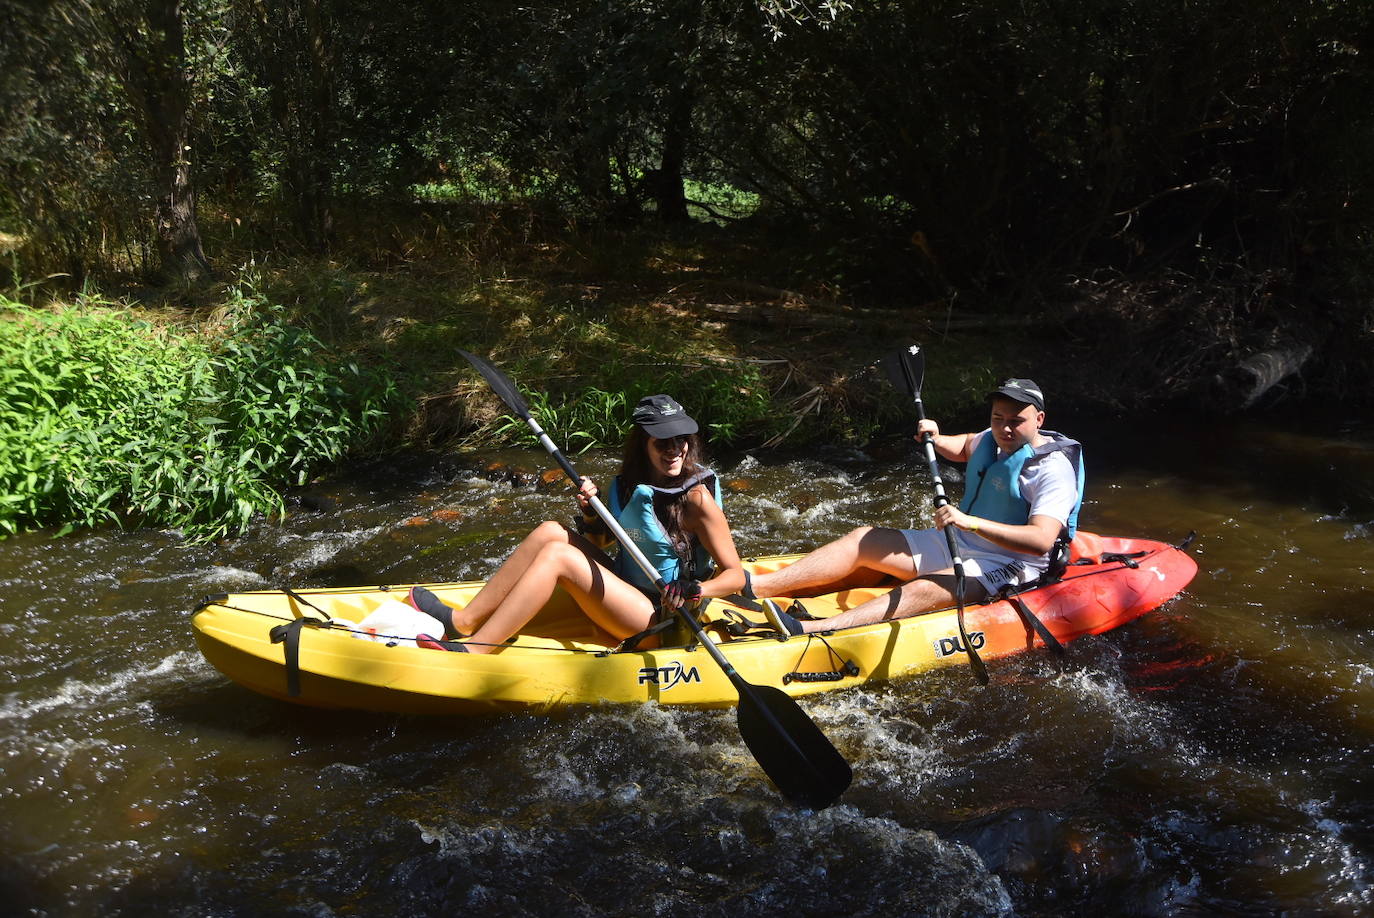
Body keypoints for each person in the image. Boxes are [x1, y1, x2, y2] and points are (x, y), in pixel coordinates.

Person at [409, 394, 746, 653]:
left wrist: (696, 590)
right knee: (551, 532)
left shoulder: (698, 501)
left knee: (559, 557)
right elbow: (606, 546)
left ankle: (478, 648)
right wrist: (590, 515)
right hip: (629, 589)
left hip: (664, 617)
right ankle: (464, 621)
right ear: (643, 445)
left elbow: (733, 575)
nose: (675, 450)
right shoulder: (628, 483)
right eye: (663, 442)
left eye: (681, 440)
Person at [749, 378, 1084, 634]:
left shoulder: (1053, 469)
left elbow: (1041, 539)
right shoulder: (993, 436)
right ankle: (755, 587)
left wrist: (971, 523)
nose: (1005, 427)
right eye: (998, 418)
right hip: (960, 540)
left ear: (1038, 419)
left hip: (1013, 562)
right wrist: (936, 438)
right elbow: (967, 446)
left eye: (1016, 420)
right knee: (865, 538)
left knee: (926, 588)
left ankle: (811, 628)